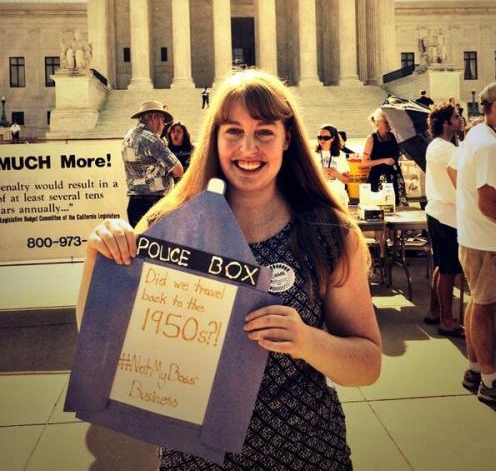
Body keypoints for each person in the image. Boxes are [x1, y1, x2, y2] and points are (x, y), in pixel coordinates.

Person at [77, 69, 381, 470]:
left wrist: (306, 341)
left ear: (287, 138)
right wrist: (97, 261)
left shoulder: (327, 232)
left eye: (264, 131)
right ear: (215, 140)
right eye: (233, 131)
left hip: (305, 451)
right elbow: (104, 343)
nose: (248, 147)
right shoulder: (169, 227)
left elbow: (367, 364)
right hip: (196, 457)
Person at [453, 82, 496, 404]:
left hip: (474, 235)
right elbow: (489, 202)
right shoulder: (490, 147)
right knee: (485, 307)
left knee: (478, 302)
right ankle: (490, 381)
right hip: (488, 240)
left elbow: (452, 169)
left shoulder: (477, 136)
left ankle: (474, 370)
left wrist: (464, 205)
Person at [423, 103, 464, 336]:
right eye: (457, 117)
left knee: (442, 265)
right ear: (445, 123)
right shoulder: (443, 148)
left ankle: (435, 311)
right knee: (448, 268)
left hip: (442, 213)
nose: (460, 121)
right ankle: (447, 320)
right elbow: (466, 166)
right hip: (446, 215)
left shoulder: (443, 146)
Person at [122, 100, 183, 227]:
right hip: (154, 205)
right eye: (163, 120)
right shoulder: (152, 139)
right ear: (154, 117)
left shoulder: (128, 136)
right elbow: (178, 170)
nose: (164, 125)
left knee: (141, 245)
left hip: (135, 204)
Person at [362, 109, 408, 206]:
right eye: (386, 122)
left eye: (390, 122)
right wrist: (384, 160)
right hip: (379, 178)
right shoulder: (371, 138)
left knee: (397, 207)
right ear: (378, 122)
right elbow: (364, 162)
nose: (389, 124)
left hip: (395, 177)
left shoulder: (394, 136)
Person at [316, 124, 350, 206]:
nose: (322, 140)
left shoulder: (340, 155)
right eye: (320, 137)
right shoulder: (312, 154)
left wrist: (336, 174)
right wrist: (320, 175)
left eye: (326, 138)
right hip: (319, 198)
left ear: (333, 138)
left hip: (338, 199)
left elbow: (347, 180)